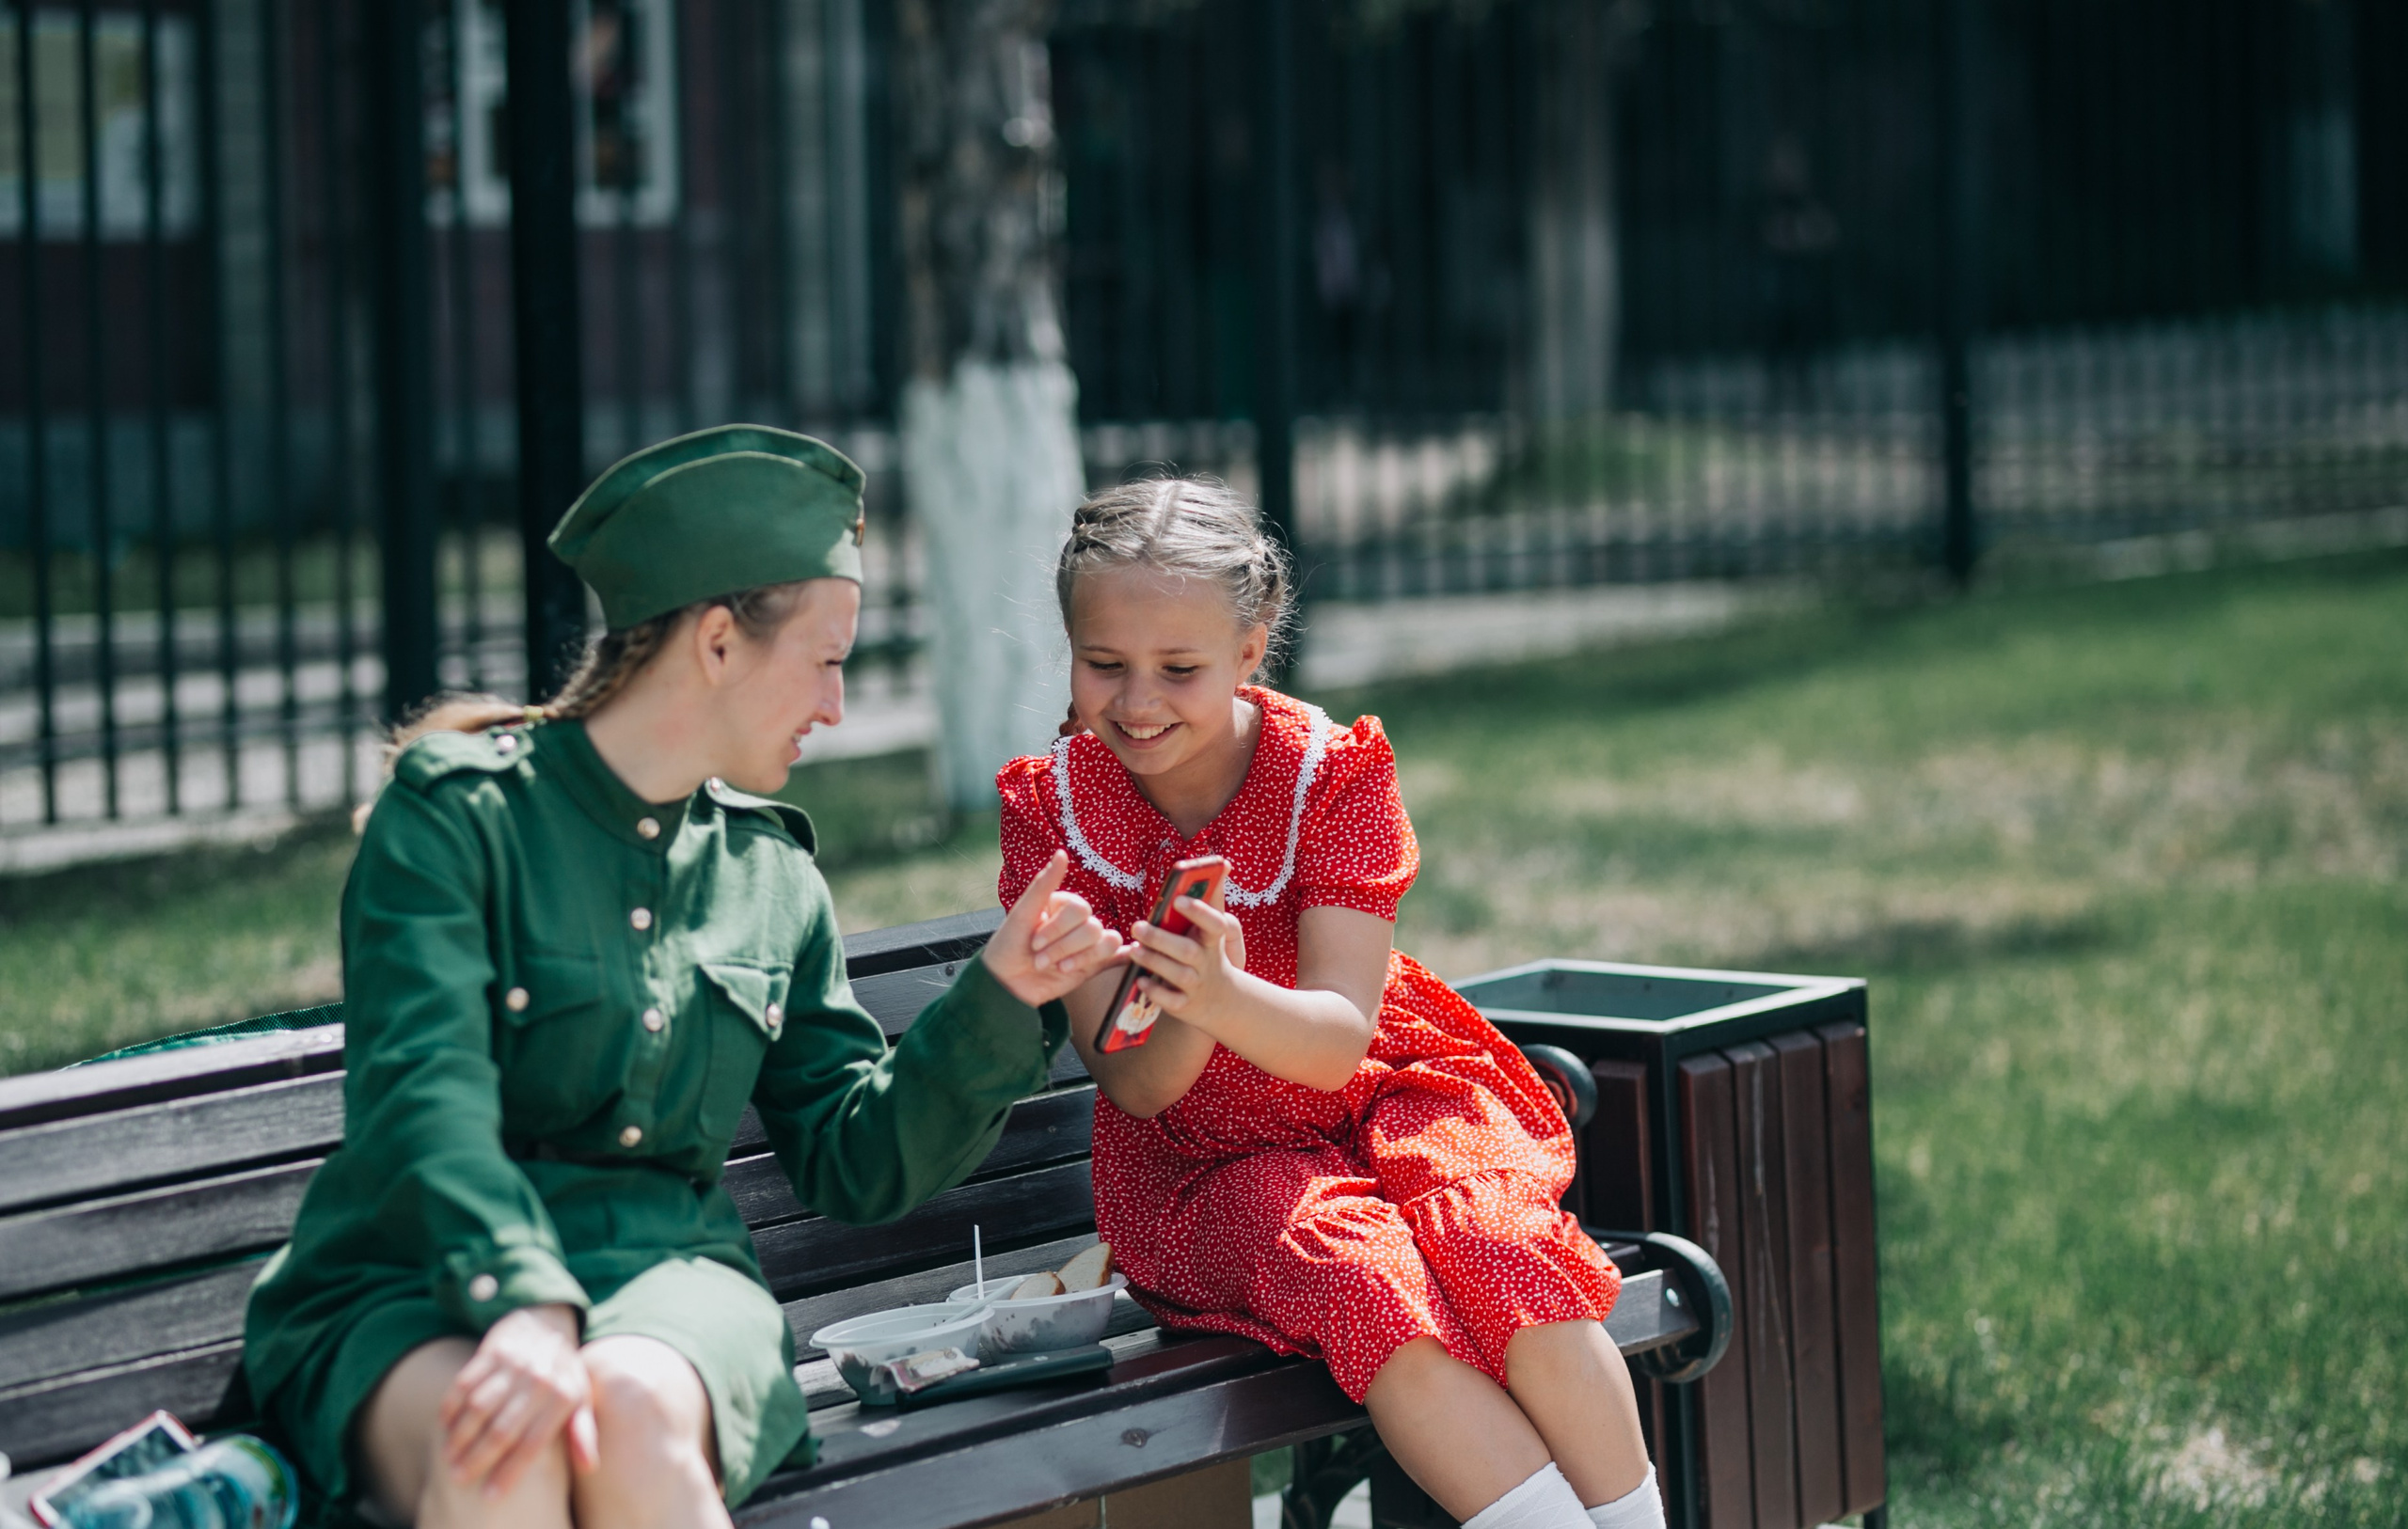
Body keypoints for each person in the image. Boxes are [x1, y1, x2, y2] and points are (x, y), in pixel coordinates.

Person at [244, 426, 1124, 1529]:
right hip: (416, 1277)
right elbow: (425, 1099)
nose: (836, 708)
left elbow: (854, 1162)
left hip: (662, 1284)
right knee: (501, 1452)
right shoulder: (459, 816)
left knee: (625, 1414)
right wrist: (525, 1305)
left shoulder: (768, 872)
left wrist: (1003, 995)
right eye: (827, 660)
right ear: (717, 641)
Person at [995, 480, 1664, 1529]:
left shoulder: (1331, 775)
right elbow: (1131, 1081)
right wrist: (1187, 1005)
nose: (1135, 703)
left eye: (1179, 669)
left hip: (1380, 1091)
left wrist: (1221, 988)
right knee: (1363, 1280)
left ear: (1253, 647)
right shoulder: (1055, 814)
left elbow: (1335, 1044)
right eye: (1103, 665)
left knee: (1495, 1242)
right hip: (1211, 1163)